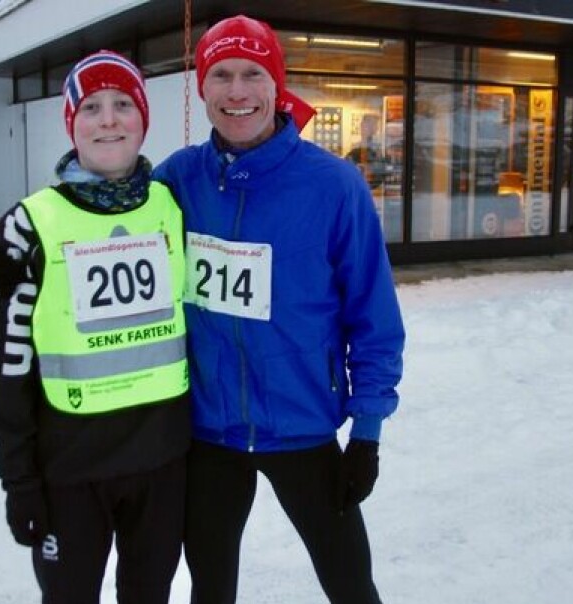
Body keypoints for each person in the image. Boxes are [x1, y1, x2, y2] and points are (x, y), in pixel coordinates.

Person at [153, 15, 406, 604]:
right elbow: (107, 221)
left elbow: (374, 319)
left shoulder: (333, 186)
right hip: (208, 433)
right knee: (209, 588)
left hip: (304, 428)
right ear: (202, 88)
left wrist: (366, 434)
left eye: (251, 74)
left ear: (276, 85)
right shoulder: (177, 180)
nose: (236, 91)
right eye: (221, 75)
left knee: (349, 584)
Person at [0, 50, 190, 604]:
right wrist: (19, 480)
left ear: (143, 120)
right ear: (72, 124)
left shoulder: (172, 206)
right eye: (91, 107)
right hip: (70, 472)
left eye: (123, 104)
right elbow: (12, 364)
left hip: (162, 464)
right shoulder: (32, 224)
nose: (108, 119)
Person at [345, 113, 386, 188]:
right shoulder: (356, 147)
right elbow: (348, 167)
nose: (375, 128)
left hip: (371, 186)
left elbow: (380, 170)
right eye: (368, 124)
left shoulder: (377, 148)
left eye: (374, 125)